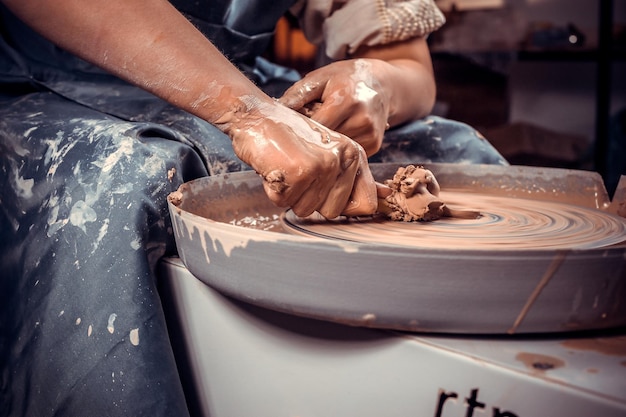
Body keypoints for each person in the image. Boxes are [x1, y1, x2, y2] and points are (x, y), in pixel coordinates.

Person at [0, 0, 507, 415]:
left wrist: (376, 84)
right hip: (53, 81)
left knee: (456, 152)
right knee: (135, 176)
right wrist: (246, 113)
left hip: (246, 81)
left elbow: (411, 70)